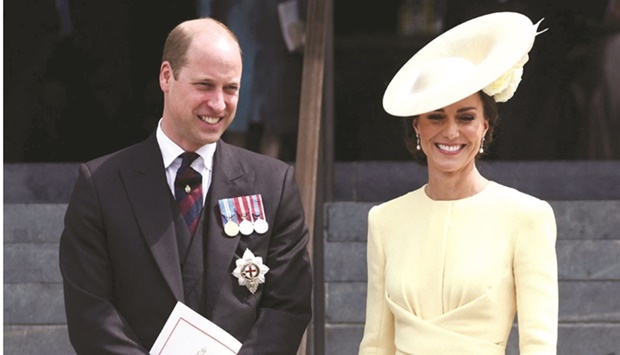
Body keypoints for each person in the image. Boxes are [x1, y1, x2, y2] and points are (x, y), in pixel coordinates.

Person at [59, 18, 312, 354]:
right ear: (167, 76)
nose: (219, 104)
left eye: (231, 88)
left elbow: (286, 307)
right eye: (205, 85)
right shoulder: (101, 186)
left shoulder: (273, 185)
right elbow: (91, 315)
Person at [359, 12, 558, 354]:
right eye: (436, 116)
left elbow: (538, 345)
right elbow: (376, 343)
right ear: (417, 127)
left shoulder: (527, 216)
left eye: (465, 117)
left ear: (485, 127)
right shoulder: (384, 220)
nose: (450, 132)